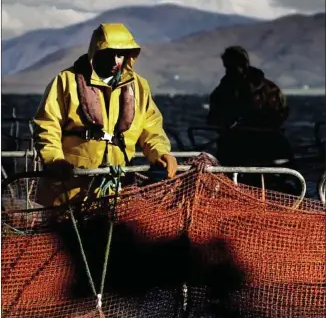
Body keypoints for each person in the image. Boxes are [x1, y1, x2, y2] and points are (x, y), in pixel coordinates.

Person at [33, 23, 178, 206]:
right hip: (67, 190)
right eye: (109, 54)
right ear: (96, 53)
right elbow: (47, 124)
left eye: (121, 54)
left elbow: (151, 128)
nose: (115, 61)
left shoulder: (140, 87)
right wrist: (54, 160)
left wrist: (161, 154)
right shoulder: (65, 81)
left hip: (118, 191)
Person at [207, 46, 292, 166]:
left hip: (265, 146)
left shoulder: (269, 90)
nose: (228, 70)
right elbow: (214, 118)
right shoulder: (223, 90)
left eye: (230, 66)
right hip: (234, 147)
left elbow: (279, 115)